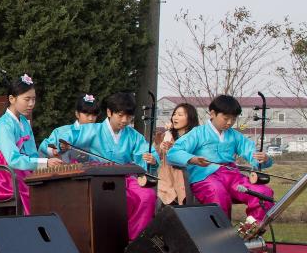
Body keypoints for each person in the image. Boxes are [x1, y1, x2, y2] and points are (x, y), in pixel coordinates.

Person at [61, 92, 160, 239]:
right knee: (117, 199)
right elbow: (67, 136)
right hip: (100, 177)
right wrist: (61, 144)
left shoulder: (133, 135)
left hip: (126, 176)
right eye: (120, 115)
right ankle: (111, 239)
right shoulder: (93, 130)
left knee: (147, 195)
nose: (125, 120)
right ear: (109, 112)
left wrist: (152, 158)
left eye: (129, 116)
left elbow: (145, 150)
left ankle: (137, 238)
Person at [168, 94, 274, 223]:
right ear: (212, 114)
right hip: (205, 178)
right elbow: (173, 152)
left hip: (232, 177)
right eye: (226, 118)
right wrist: (193, 159)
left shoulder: (235, 135)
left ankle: (253, 228)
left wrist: (263, 159)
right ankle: (222, 236)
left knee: (263, 192)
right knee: (217, 192)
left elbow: (251, 153)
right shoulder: (197, 133)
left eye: (233, 119)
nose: (229, 123)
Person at [0, 74, 56, 213]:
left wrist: (44, 164)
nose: (31, 104)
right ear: (12, 99)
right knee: (32, 188)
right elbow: (12, 159)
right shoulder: (2, 125)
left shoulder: (23, 122)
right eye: (27, 99)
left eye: (33, 99)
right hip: (3, 173)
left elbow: (32, 152)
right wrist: (43, 163)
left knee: (47, 182)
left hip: (20, 169)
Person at [155, 102, 198, 205]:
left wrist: (173, 149)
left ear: (190, 118)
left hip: (186, 177)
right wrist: (160, 143)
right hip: (166, 177)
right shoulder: (167, 135)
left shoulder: (195, 136)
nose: (175, 117)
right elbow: (158, 155)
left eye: (180, 115)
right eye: (174, 114)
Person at [39, 93, 102, 159]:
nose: (91, 119)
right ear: (77, 114)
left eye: (94, 115)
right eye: (87, 114)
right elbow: (44, 148)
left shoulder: (101, 133)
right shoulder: (60, 131)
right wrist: (55, 150)